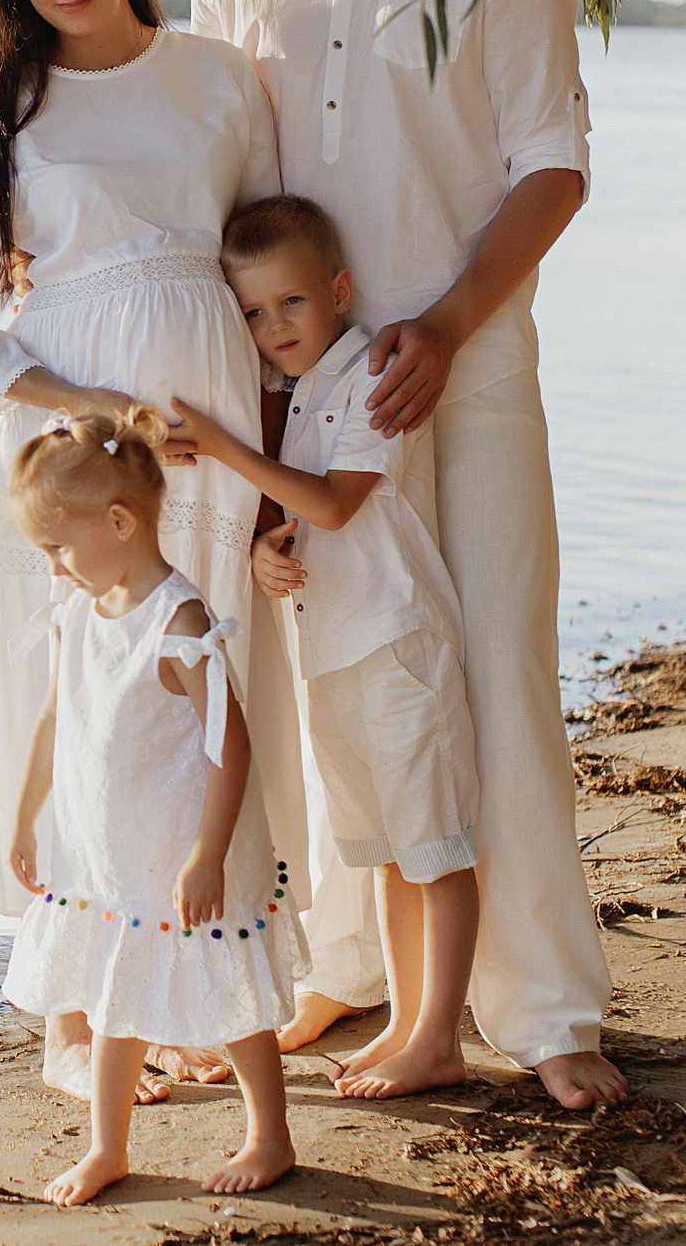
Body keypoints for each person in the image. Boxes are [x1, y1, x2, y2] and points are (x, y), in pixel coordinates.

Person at [192, 0, 627, 1110]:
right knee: (340, 680)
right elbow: (229, 197)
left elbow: (552, 166)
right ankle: (344, 970)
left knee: (497, 660)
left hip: (471, 360)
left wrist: (440, 329)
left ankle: (546, 1002)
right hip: (309, 397)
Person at [0, 0, 303, 1100]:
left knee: (191, 703)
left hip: (212, 432)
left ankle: (192, 982)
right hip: (76, 455)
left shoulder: (224, 84)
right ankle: (70, 1020)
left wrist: (277, 466)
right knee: (70, 693)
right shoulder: (6, 113)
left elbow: (266, 267)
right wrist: (92, 406)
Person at [170, 196, 480, 1100]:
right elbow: (305, 512)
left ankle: (439, 1035)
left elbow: (339, 500)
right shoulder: (300, 395)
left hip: (395, 645)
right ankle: (402, 1019)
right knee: (384, 849)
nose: (274, 328)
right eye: (255, 314)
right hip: (334, 656)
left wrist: (226, 449)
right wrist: (268, 544)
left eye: (291, 304)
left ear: (339, 290)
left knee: (437, 849)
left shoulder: (373, 374)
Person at [0, 407, 303, 1204]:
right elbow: (54, 718)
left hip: (184, 849)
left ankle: (270, 1134)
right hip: (111, 853)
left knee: (232, 995)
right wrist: (25, 816)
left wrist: (208, 853)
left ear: (121, 519)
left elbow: (231, 746)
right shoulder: (79, 612)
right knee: (111, 993)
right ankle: (108, 1147)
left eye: (60, 546)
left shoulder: (178, 621)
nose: (56, 567)